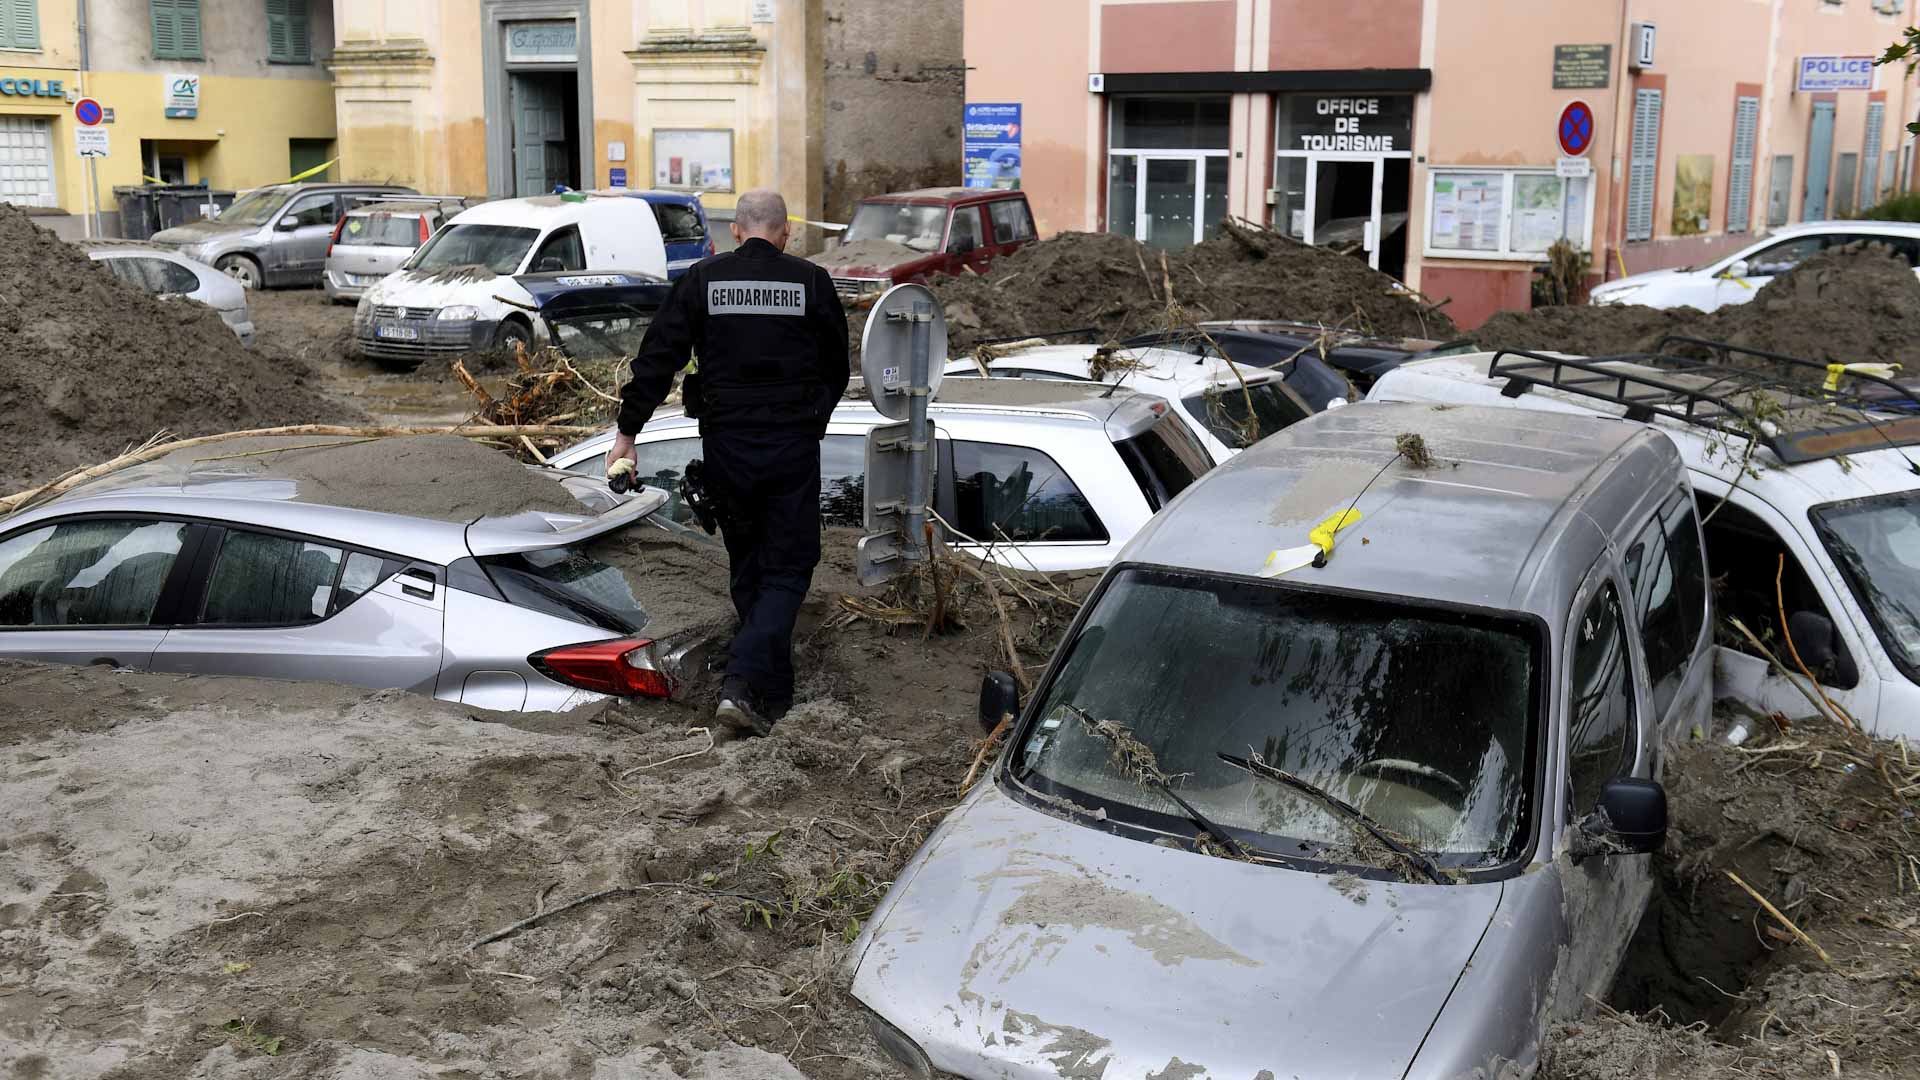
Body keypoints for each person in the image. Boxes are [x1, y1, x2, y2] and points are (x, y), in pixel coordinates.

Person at [609, 189, 849, 735]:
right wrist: (811, 422)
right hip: (790, 448)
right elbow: (837, 367)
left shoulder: (702, 280)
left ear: (737, 231)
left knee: (748, 563)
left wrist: (628, 430)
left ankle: (772, 691)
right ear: (785, 231)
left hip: (726, 447)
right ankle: (741, 685)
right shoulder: (811, 281)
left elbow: (658, 358)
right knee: (788, 568)